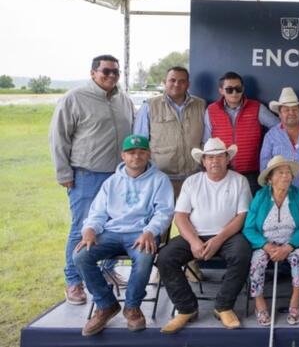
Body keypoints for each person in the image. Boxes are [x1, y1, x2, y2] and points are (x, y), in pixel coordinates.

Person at [49, 54, 135, 305]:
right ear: (93, 73)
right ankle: (73, 281)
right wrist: (64, 173)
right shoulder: (74, 98)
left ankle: (106, 272)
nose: (111, 76)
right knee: (82, 229)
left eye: (115, 72)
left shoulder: (124, 99)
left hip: (119, 176)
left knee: (112, 226)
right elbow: (58, 137)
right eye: (106, 71)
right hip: (86, 175)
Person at [73, 135, 174, 336]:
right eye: (131, 153)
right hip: (111, 232)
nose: (136, 156)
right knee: (80, 255)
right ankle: (105, 305)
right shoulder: (111, 182)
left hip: (141, 233)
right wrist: (90, 229)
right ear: (123, 156)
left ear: (148, 154)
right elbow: (97, 213)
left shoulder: (160, 180)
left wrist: (150, 231)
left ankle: (132, 307)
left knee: (145, 257)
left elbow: (164, 212)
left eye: (141, 152)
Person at [157, 138, 252, 333]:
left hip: (227, 236)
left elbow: (242, 216)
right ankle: (187, 308)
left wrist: (218, 240)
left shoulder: (239, 180)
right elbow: (180, 216)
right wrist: (193, 241)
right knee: (166, 257)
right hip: (195, 234)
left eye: (219, 156)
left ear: (227, 159)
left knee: (242, 254)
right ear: (203, 161)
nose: (214, 161)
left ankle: (224, 306)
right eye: (210, 157)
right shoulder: (192, 182)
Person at [243, 155, 299, 326]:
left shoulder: (297, 195)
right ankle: (259, 303)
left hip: (291, 242)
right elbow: (249, 228)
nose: (286, 176)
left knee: (298, 258)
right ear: (270, 179)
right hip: (265, 243)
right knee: (257, 262)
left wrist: (288, 247)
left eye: (288, 173)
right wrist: (266, 245)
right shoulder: (260, 196)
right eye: (280, 173)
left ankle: (295, 300)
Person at [134, 66, 206, 199]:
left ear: (188, 84)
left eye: (182, 81)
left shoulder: (201, 105)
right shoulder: (149, 106)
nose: (176, 84)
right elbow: (139, 142)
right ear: (164, 82)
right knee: (164, 218)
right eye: (172, 80)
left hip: (194, 177)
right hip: (161, 178)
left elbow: (206, 139)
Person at [204, 71, 278, 196]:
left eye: (238, 89)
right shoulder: (211, 110)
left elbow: (279, 126)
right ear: (221, 90)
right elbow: (206, 141)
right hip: (222, 173)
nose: (234, 93)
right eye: (229, 89)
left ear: (243, 89)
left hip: (251, 173)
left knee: (250, 212)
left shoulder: (257, 107)